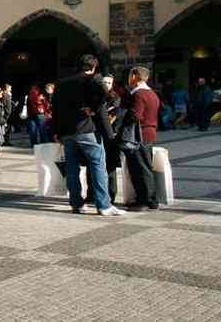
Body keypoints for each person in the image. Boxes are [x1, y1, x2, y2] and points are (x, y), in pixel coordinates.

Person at [53, 55, 121, 216]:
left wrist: (57, 131)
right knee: (98, 165)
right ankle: (103, 205)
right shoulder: (93, 79)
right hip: (86, 129)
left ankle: (76, 204)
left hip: (68, 132)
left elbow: (55, 108)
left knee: (71, 168)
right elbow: (109, 96)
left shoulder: (62, 83)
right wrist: (93, 108)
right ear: (94, 67)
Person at [120, 67, 160, 211]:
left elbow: (136, 115)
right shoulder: (152, 93)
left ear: (135, 76)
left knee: (140, 168)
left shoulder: (139, 94)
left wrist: (123, 117)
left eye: (130, 76)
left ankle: (145, 200)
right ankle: (149, 199)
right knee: (144, 167)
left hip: (139, 135)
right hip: (148, 133)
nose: (128, 79)